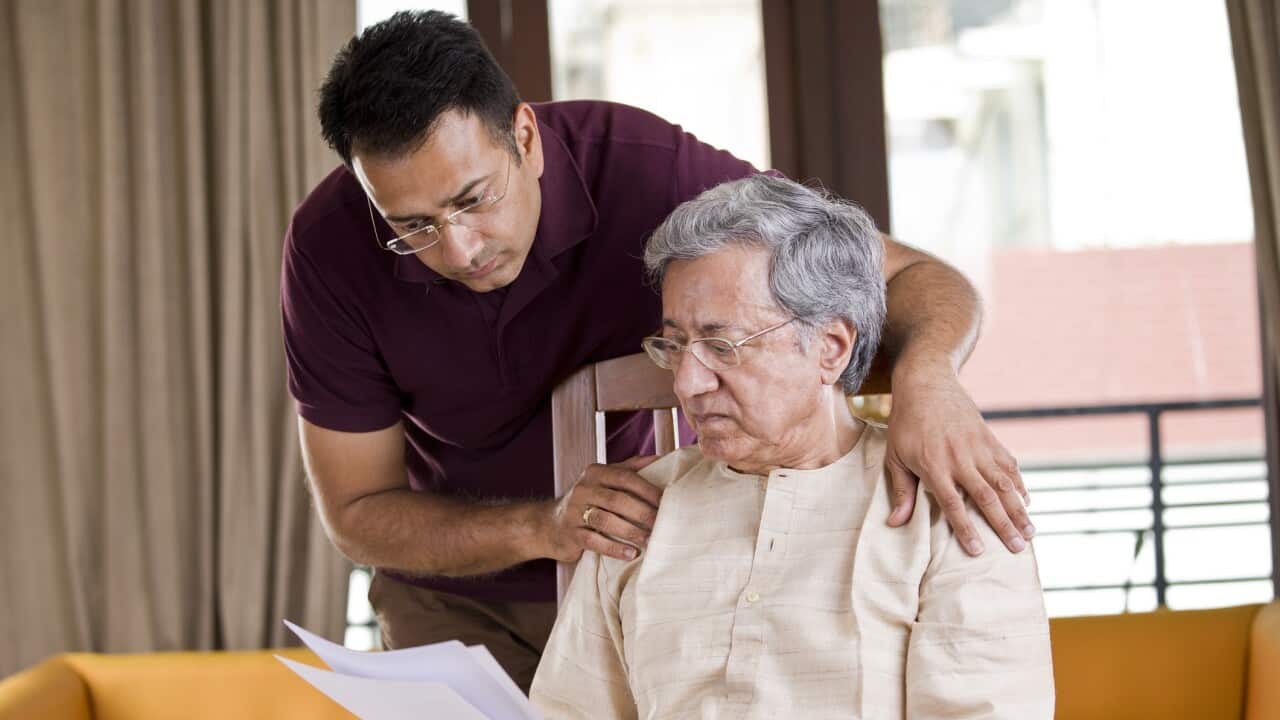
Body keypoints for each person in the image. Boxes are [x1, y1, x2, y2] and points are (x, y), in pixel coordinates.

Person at [283, 10, 1035, 690]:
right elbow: (356, 513)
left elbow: (915, 278)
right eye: (411, 225)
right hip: (453, 582)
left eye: (473, 199)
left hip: (638, 562)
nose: (458, 248)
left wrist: (928, 379)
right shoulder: (330, 249)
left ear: (524, 136)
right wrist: (542, 527)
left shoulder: (648, 171)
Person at [529, 174, 1054, 718]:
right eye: (676, 345)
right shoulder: (637, 511)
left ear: (830, 348)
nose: (687, 383)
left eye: (721, 346)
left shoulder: (945, 503)